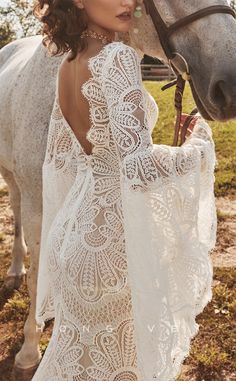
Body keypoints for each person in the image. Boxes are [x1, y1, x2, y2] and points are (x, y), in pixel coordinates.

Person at [32, 0, 217, 380]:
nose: (127, 2)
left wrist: (169, 149)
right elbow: (138, 167)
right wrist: (197, 150)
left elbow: (79, 157)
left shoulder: (67, 65)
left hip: (71, 237)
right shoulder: (117, 57)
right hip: (114, 249)